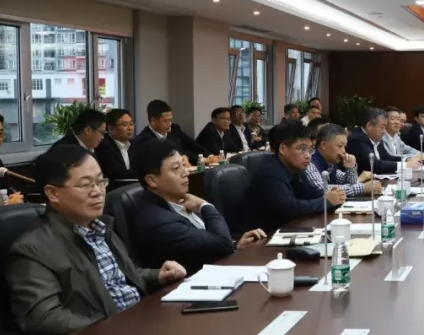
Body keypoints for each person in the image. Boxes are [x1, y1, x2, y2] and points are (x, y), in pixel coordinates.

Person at [6, 145, 186, 335]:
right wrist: (113, 328)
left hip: (141, 326)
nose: (98, 192)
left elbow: (116, 279)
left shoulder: (100, 227)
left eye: (100, 181)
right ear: (53, 193)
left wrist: (158, 275)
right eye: (85, 185)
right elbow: (43, 318)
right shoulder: (32, 249)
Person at [130, 140, 266, 274]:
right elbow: (221, 244)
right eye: (176, 168)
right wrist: (204, 205)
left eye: (184, 165)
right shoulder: (158, 221)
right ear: (152, 180)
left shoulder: (178, 202)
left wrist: (235, 246)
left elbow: (208, 245)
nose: (186, 173)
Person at [237, 122, 346, 233]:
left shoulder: (295, 169)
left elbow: (311, 193)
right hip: (259, 237)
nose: (308, 156)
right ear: (283, 149)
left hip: (284, 230)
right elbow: (290, 209)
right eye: (302, 149)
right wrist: (326, 201)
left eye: (310, 150)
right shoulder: (270, 173)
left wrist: (333, 195)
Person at [313, 123, 383, 198]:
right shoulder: (311, 164)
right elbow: (323, 190)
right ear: (324, 145)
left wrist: (350, 167)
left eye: (344, 146)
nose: (344, 151)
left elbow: (347, 183)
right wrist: (363, 188)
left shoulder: (331, 164)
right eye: (340, 146)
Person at [132, 100, 211, 165]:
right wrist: (183, 157)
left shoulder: (174, 128)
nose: (169, 124)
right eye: (165, 121)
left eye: (170, 120)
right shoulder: (143, 139)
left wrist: (210, 156)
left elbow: (191, 144)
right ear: (153, 121)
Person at [347, 107, 402, 175]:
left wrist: (406, 160)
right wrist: (404, 165)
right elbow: (375, 165)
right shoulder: (357, 139)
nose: (384, 131)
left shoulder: (375, 137)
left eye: (385, 127)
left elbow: (386, 157)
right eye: (382, 127)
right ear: (369, 125)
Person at [95, 108, 136, 181]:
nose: (130, 128)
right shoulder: (103, 146)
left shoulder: (134, 144)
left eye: (131, 124)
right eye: (125, 125)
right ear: (111, 128)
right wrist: (143, 172)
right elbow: (117, 173)